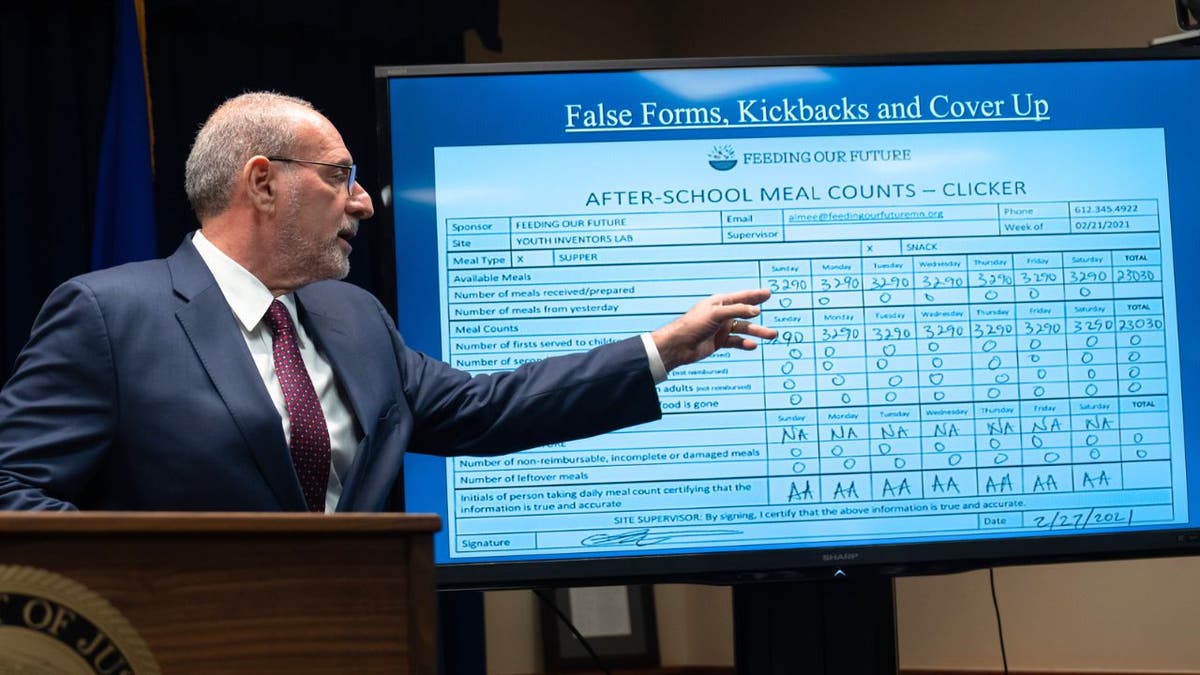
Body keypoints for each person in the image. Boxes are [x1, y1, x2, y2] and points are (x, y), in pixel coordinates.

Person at [0, 92, 775, 512]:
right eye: (338, 176)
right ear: (262, 182)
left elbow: (486, 409)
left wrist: (660, 350)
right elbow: (13, 490)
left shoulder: (354, 319)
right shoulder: (109, 316)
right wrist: (155, 580)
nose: (364, 201)